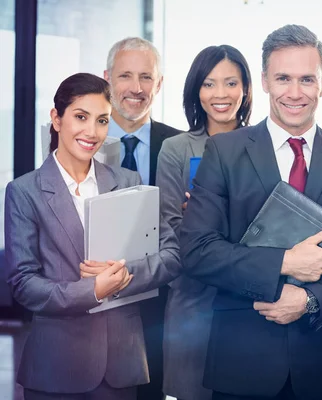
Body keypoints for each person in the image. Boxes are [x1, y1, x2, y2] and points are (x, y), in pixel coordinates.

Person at [180, 24, 322, 400]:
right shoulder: (224, 152)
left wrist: (310, 301)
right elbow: (197, 252)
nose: (295, 93)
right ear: (264, 81)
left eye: (307, 79)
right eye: (283, 78)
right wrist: (284, 262)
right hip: (241, 360)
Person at [4, 73, 181, 400]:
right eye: (80, 117)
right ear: (56, 119)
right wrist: (93, 290)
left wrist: (124, 277)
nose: (92, 131)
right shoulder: (24, 192)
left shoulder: (129, 180)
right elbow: (23, 284)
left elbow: (171, 255)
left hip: (121, 365)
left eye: (101, 120)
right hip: (55, 366)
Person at [158, 44, 253, 400]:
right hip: (193, 302)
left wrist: (210, 220)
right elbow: (170, 230)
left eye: (231, 83)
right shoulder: (176, 149)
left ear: (245, 89)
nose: (220, 94)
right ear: (196, 91)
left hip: (249, 302)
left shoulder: (264, 146)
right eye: (209, 84)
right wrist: (200, 224)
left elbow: (272, 229)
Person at [104, 37, 180, 400]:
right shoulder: (82, 140)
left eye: (146, 77)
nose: (136, 88)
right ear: (107, 80)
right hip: (95, 296)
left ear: (159, 84)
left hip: (162, 300)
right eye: (125, 76)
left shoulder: (181, 145)